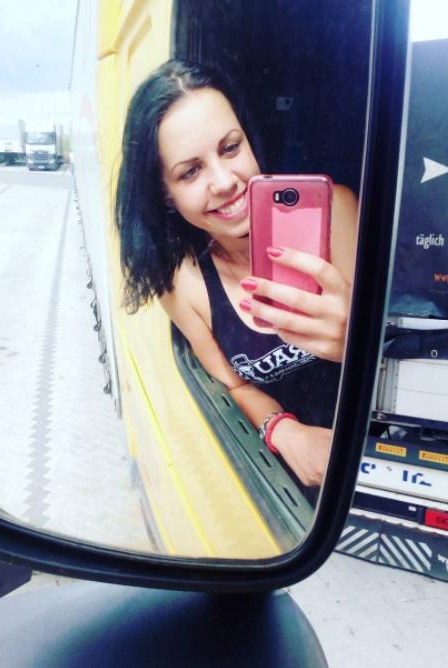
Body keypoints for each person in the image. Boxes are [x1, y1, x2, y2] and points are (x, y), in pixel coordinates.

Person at [115, 59, 358, 498]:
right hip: (296, 485)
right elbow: (233, 384)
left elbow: (396, 350)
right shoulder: (181, 283)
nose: (225, 181)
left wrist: (357, 344)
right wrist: (284, 432)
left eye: (230, 148)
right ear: (166, 195)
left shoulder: (334, 212)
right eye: (191, 172)